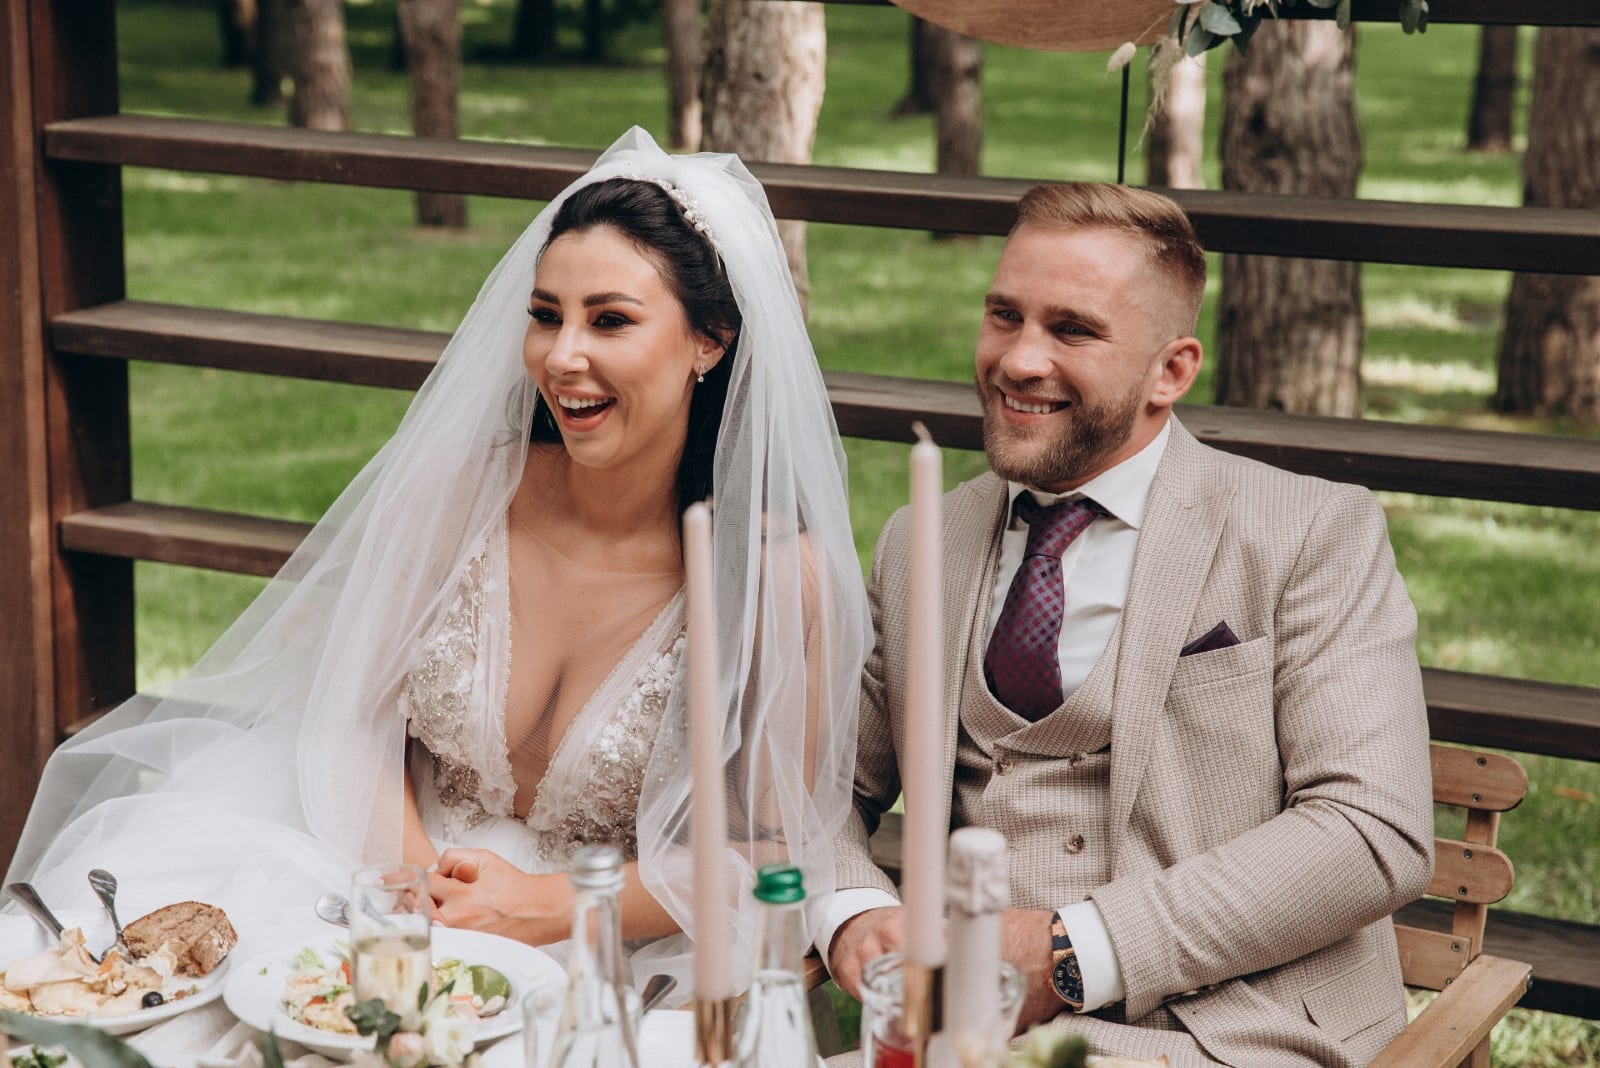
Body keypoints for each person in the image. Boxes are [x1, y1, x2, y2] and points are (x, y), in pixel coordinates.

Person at [4, 127, 872, 999]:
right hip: (367, 870)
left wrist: (554, 905)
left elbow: (769, 849)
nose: (563, 356)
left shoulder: (771, 579)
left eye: (609, 319)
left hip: (606, 938)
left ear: (709, 341)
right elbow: (348, 719)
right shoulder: (463, 492)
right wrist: (414, 888)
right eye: (545, 316)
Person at [823, 182, 1434, 1067]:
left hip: (1240, 1039)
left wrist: (1072, 951)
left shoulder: (1309, 531)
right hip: (972, 1038)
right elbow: (823, 787)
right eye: (1005, 315)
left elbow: (1373, 830)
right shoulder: (924, 540)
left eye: (1072, 329)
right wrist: (852, 914)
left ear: (1172, 371)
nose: (1018, 361)